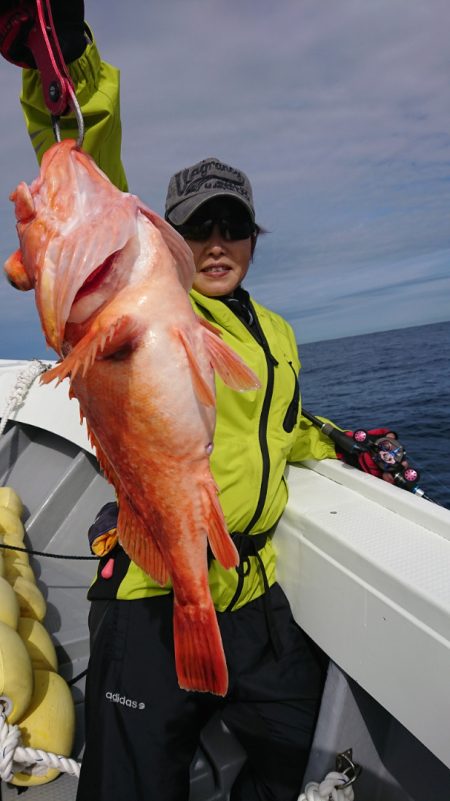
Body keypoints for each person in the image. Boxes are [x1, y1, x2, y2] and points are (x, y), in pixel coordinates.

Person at [1, 5, 401, 800]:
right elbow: (84, 164)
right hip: (154, 591)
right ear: (166, 233)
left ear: (254, 237)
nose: (217, 241)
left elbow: (274, 425)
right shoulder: (156, 297)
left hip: (252, 592)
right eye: (199, 225)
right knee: (129, 782)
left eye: (235, 224)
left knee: (300, 762)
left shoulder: (276, 332)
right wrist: (67, 69)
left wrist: (338, 443)